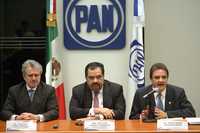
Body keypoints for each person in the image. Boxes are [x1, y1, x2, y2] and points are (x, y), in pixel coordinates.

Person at [129, 63, 196, 120]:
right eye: (157, 77)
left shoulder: (178, 92)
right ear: (151, 79)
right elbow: (132, 117)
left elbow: (190, 112)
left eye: (164, 77)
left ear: (167, 78)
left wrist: (167, 114)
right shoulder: (141, 93)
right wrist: (142, 116)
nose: (161, 80)